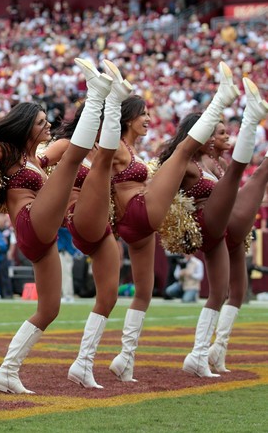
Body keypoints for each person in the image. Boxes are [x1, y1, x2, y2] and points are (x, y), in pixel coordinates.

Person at [0, 58, 114, 394]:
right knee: (73, 160)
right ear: (26, 127)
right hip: (29, 221)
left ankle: (7, 371)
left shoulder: (37, 159)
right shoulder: (7, 151)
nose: (48, 124)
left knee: (50, 308)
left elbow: (53, 158)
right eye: (40, 122)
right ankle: (95, 95)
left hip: (42, 233)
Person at [108, 62, 239, 382]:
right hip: (136, 212)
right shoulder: (117, 148)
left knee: (144, 292)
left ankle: (125, 358)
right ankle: (220, 98)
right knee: (182, 151)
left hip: (140, 224)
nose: (149, 119)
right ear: (127, 119)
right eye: (143, 115)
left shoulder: (134, 151)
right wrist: (109, 97)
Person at [157, 75, 265, 377]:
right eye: (218, 132)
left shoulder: (213, 164)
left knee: (227, 291)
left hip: (224, 230)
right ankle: (251, 118)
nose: (223, 136)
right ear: (202, 136)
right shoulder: (187, 164)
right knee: (247, 176)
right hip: (208, 224)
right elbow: (161, 188)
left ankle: (208, 353)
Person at [40, 59, 132, 388]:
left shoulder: (112, 149)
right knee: (104, 160)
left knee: (108, 296)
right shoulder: (69, 145)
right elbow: (36, 164)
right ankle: (109, 95)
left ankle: (83, 363)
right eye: (106, 117)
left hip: (102, 225)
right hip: (77, 217)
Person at [203, 89, 268, 373]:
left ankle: (219, 349)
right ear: (207, 140)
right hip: (216, 230)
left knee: (238, 292)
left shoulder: (221, 164)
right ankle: (199, 351)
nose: (225, 136)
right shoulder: (197, 164)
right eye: (220, 133)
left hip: (233, 227)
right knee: (218, 293)